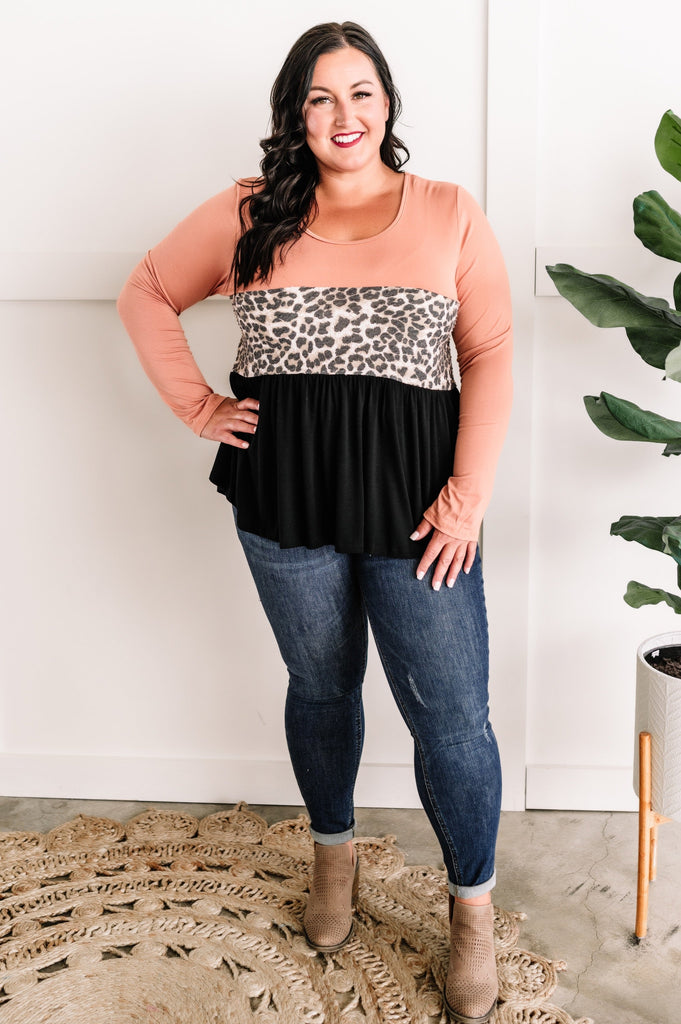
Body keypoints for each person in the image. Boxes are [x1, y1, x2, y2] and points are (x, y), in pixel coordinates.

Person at [118, 21, 512, 1024]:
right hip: (284, 495)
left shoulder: (448, 210)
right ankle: (333, 855)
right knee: (322, 686)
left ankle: (471, 910)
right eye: (321, 97)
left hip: (420, 505)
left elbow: (490, 352)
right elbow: (148, 293)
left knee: (452, 715)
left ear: (388, 102)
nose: (344, 115)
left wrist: (467, 494)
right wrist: (200, 408)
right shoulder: (249, 211)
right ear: (296, 113)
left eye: (361, 92)